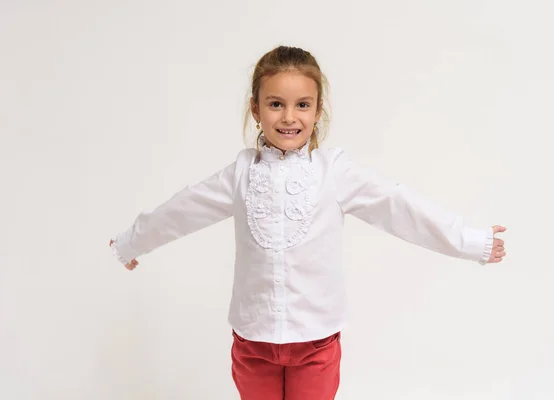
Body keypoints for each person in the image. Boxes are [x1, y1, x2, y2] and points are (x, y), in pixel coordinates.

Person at [109, 45, 506, 400]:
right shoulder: (241, 173)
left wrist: (473, 242)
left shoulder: (334, 172)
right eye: (276, 103)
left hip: (316, 342)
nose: (289, 117)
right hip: (253, 342)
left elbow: (399, 205)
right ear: (256, 108)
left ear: (318, 111)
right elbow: (183, 209)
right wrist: (131, 243)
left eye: (302, 105)